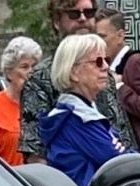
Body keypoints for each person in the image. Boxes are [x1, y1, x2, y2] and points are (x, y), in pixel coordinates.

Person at [38, 34, 126, 186]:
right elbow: (119, 164)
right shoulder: (76, 118)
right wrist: (120, 149)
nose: (106, 66)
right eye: (97, 62)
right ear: (73, 72)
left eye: (106, 59)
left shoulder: (77, 111)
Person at [20, 0, 104, 163]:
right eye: (73, 13)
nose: (82, 19)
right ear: (57, 22)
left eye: (88, 13)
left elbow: (124, 139)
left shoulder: (104, 73)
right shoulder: (38, 79)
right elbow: (36, 156)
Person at [96, 2, 140, 162]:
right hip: (127, 160)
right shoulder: (110, 68)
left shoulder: (137, 62)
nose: (97, 43)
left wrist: (120, 88)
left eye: (102, 37)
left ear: (120, 36)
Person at [0, 36, 44, 167]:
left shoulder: (46, 103)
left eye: (35, 66)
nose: (31, 72)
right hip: (11, 181)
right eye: (24, 67)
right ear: (9, 73)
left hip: (43, 181)